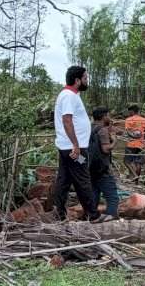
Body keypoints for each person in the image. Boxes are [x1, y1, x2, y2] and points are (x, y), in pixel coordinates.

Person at [52, 66, 110, 223]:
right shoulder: (69, 96)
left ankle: (59, 214)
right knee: (84, 180)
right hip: (74, 150)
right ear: (77, 80)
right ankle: (93, 215)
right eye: (85, 78)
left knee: (63, 181)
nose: (87, 81)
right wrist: (76, 146)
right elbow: (67, 120)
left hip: (67, 148)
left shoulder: (69, 95)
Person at [89, 107, 119, 220]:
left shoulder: (89, 128)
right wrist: (115, 141)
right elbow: (106, 149)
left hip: (90, 167)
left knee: (94, 194)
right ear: (104, 116)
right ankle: (110, 217)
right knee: (112, 196)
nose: (110, 118)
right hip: (102, 168)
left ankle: (92, 216)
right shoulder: (102, 130)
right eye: (108, 115)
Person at [124, 105, 145, 181]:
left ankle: (135, 176)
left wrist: (133, 136)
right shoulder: (144, 120)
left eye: (129, 111)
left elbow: (128, 132)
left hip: (131, 145)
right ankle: (136, 182)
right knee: (138, 163)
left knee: (126, 161)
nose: (129, 113)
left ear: (132, 111)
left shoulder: (128, 120)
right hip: (141, 144)